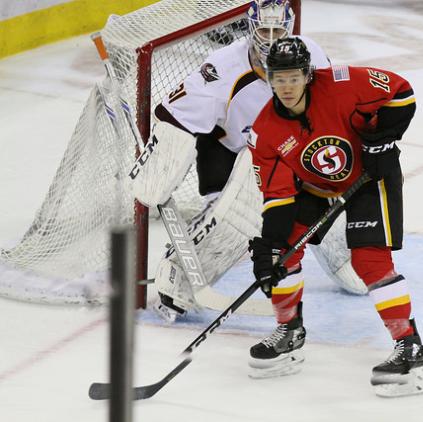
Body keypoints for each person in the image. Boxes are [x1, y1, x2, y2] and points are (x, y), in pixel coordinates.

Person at [135, 0, 365, 323]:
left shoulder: (310, 56)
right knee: (242, 223)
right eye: (264, 30)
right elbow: (175, 116)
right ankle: (181, 274)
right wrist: (162, 157)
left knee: (323, 194)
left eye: (278, 30)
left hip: (288, 154)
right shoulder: (223, 69)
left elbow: (331, 111)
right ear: (250, 30)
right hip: (229, 160)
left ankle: (340, 253)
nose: (271, 39)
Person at [246, 37, 423, 397]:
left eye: (293, 77)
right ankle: (290, 330)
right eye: (279, 78)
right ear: (269, 79)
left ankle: (409, 346)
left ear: (307, 75)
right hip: (316, 187)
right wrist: (271, 246)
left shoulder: (343, 83)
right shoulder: (265, 132)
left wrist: (384, 138)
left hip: (370, 176)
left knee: (369, 261)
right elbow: (278, 198)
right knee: (281, 252)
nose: (286, 87)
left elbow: (402, 92)